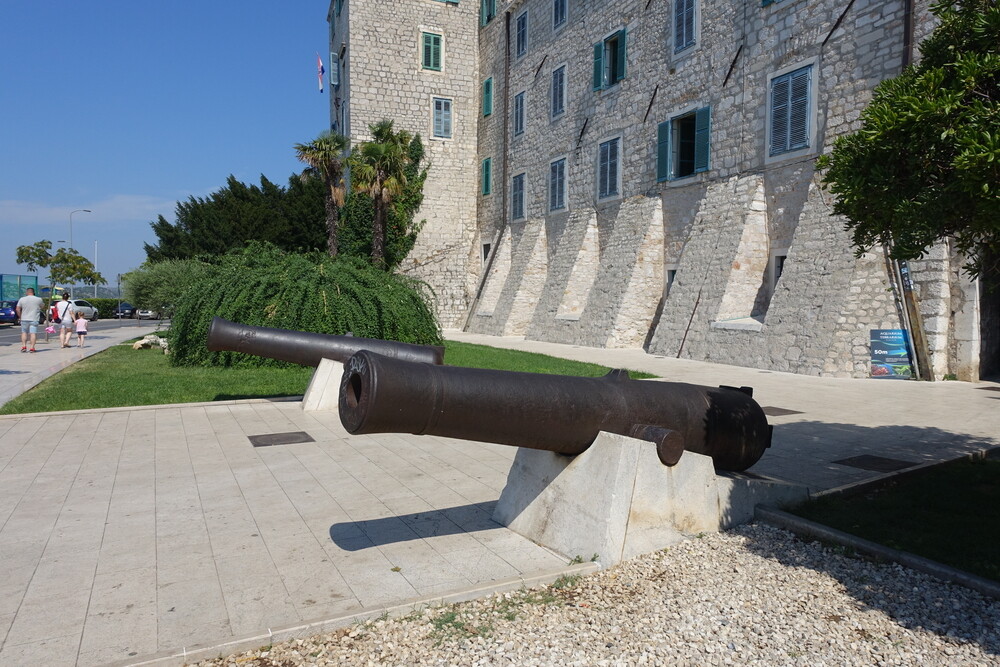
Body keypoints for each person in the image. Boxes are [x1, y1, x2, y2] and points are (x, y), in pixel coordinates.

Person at [15, 287, 44, 353]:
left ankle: (24, 346)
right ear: (33, 292)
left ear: (27, 292)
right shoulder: (39, 299)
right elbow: (42, 306)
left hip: (24, 319)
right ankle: (32, 348)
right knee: (33, 333)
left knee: (24, 332)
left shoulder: (22, 299)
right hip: (34, 318)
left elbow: (17, 309)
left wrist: (20, 316)